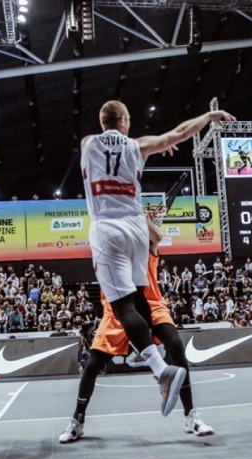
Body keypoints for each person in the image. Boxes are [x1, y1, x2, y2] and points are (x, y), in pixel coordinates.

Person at [80, 100, 235, 417]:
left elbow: (104, 144)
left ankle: (160, 369)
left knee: (123, 306)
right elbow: (178, 133)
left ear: (102, 122)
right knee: (137, 299)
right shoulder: (138, 146)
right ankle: (158, 366)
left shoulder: (88, 143)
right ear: (124, 120)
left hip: (107, 226)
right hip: (138, 228)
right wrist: (208, 115)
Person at [60, 219, 214, 443]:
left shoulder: (145, 244)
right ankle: (77, 421)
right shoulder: (108, 247)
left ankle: (191, 417)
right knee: (93, 364)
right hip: (116, 310)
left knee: (176, 345)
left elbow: (157, 236)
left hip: (152, 305)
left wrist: (136, 213)